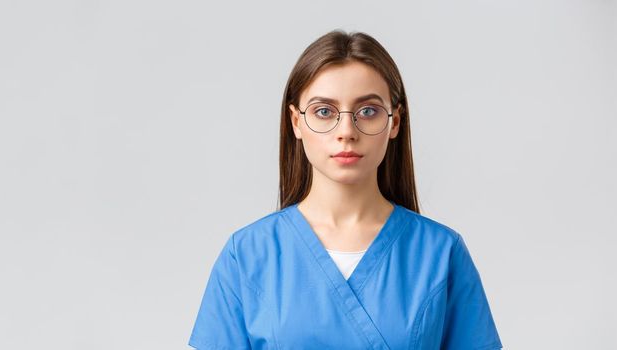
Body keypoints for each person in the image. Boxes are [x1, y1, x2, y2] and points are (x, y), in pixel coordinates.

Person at [188, 29, 503, 349]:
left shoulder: (440, 253)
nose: (346, 131)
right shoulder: (248, 254)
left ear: (394, 122)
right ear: (296, 122)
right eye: (324, 112)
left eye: (368, 111)